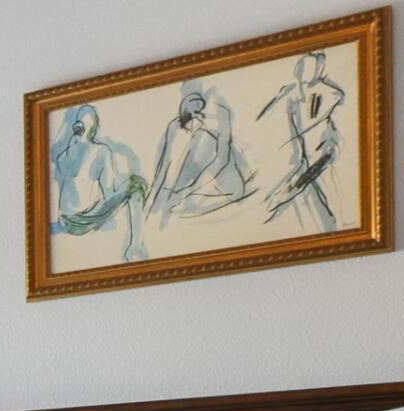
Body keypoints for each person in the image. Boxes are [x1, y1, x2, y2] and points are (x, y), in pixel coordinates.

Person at [254, 51, 348, 232]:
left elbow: (334, 130)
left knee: (322, 200)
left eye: (313, 64)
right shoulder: (289, 92)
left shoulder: (333, 94)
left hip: (320, 154)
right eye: (303, 65)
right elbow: (266, 119)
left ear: (320, 66)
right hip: (299, 158)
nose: (305, 71)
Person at [47, 104, 152, 260]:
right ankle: (135, 246)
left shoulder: (64, 156)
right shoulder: (101, 151)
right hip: (81, 221)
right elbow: (108, 191)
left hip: (64, 220)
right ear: (94, 127)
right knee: (137, 184)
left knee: (129, 183)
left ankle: (135, 246)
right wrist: (123, 184)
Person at [146, 80, 255, 223]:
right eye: (190, 103)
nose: (195, 110)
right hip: (184, 189)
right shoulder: (176, 127)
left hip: (218, 183)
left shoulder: (210, 125)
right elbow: (165, 164)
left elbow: (223, 157)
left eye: (198, 104)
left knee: (204, 138)